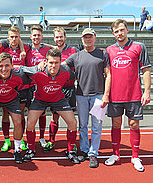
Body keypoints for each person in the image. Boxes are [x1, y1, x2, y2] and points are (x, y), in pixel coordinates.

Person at [104, 19, 151, 172]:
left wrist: (147, 91)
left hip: (134, 95)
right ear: (113, 34)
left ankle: (135, 156)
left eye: (122, 30)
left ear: (127, 30)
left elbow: (145, 70)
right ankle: (116, 154)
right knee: (116, 125)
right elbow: (107, 74)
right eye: (116, 31)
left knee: (134, 125)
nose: (119, 33)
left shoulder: (139, 47)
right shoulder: (109, 50)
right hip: (115, 96)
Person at [20, 48, 80, 164]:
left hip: (58, 99)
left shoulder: (66, 70)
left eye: (56, 62)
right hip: (40, 100)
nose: (53, 65)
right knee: (30, 122)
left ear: (61, 62)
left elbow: (75, 76)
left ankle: (70, 151)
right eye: (51, 62)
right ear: (46, 62)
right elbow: (22, 68)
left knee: (72, 122)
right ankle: (31, 150)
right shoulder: (37, 70)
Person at [63, 28, 111, 168]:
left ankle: (93, 154)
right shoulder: (76, 56)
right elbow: (61, 65)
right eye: (85, 37)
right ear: (82, 39)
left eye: (90, 37)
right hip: (81, 96)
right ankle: (84, 150)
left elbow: (108, 75)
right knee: (82, 125)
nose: (88, 39)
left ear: (95, 38)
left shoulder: (103, 54)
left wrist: (106, 95)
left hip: (98, 95)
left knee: (96, 126)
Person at [43, 27, 79, 152]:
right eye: (57, 37)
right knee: (55, 116)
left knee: (71, 119)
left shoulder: (73, 50)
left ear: (65, 37)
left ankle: (71, 144)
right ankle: (51, 141)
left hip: (69, 88)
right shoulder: (51, 52)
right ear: (54, 38)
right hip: (56, 88)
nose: (59, 39)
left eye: (61, 36)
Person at [0, 26, 29, 152]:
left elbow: (40, 44)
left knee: (20, 114)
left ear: (19, 37)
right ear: (8, 37)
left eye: (16, 37)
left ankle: (20, 139)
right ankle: (6, 140)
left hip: (21, 87)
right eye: (11, 37)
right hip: (7, 87)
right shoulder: (4, 48)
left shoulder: (25, 48)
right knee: (5, 113)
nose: (14, 39)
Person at [26, 25, 50, 149]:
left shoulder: (46, 50)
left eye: (38, 35)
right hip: (28, 86)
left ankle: (41, 137)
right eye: (34, 35)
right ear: (31, 36)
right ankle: (29, 138)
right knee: (30, 115)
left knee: (42, 113)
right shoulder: (26, 49)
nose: (36, 37)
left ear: (42, 36)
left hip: (42, 86)